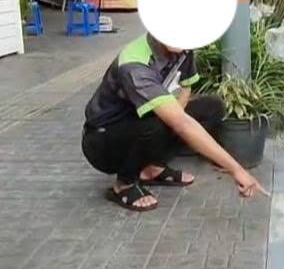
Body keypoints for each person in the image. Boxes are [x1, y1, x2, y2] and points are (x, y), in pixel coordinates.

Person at [82, 33, 266, 211]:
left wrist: (178, 114)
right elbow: (181, 124)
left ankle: (152, 167)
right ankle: (124, 183)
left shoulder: (183, 48)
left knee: (211, 107)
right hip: (102, 140)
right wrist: (237, 169)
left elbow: (186, 85)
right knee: (162, 124)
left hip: (138, 120)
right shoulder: (134, 65)